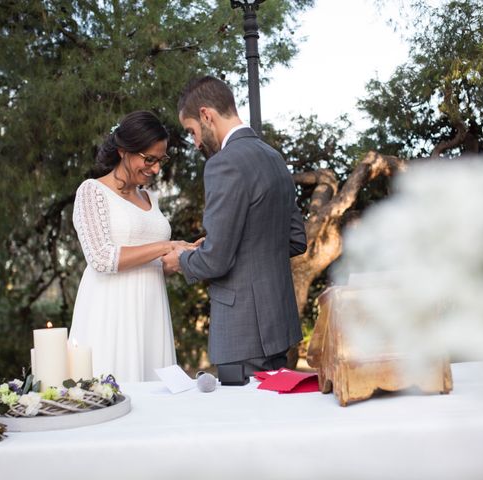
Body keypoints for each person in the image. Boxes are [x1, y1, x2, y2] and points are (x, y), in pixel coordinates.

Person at [162, 76, 307, 374]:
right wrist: (236, 243)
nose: (196, 143)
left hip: (242, 331)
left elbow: (216, 260)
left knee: (246, 420)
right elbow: (295, 239)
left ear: (206, 115)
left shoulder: (223, 164)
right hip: (279, 325)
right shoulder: (274, 158)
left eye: (192, 131)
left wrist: (182, 260)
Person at [70, 111, 195, 382]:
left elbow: (157, 263)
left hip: (151, 311)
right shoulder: (92, 192)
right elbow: (101, 258)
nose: (155, 169)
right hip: (111, 311)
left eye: (160, 160)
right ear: (123, 151)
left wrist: (183, 254)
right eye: (148, 159)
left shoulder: (151, 198)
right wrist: (165, 245)